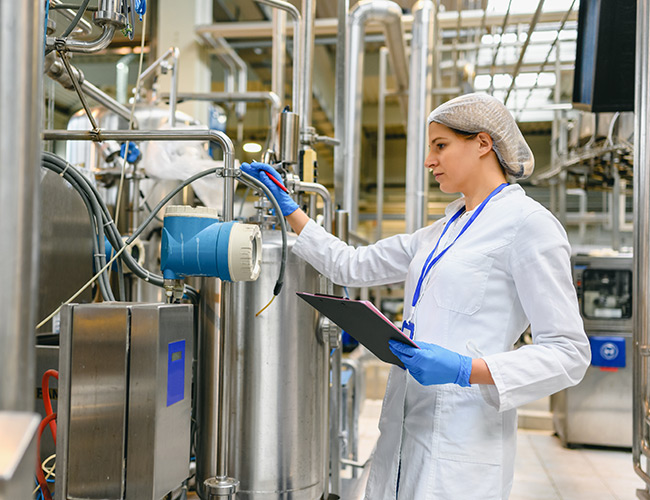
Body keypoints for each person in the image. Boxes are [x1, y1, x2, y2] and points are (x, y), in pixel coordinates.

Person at [241, 93, 590, 500]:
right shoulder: (437, 233)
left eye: (440, 146)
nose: (429, 161)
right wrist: (291, 211)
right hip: (403, 438)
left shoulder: (529, 225)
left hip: (463, 444)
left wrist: (465, 369)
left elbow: (569, 352)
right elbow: (350, 265)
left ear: (483, 143)